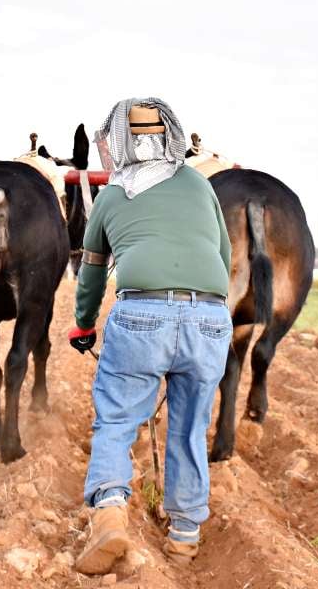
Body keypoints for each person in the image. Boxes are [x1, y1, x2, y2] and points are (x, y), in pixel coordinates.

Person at [67, 98, 232, 574]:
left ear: (118, 140)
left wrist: (83, 325)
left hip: (142, 313)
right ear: (171, 136)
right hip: (209, 319)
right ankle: (184, 538)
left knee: (117, 421)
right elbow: (221, 255)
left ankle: (111, 513)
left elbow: (92, 275)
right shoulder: (200, 185)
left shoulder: (114, 195)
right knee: (189, 429)